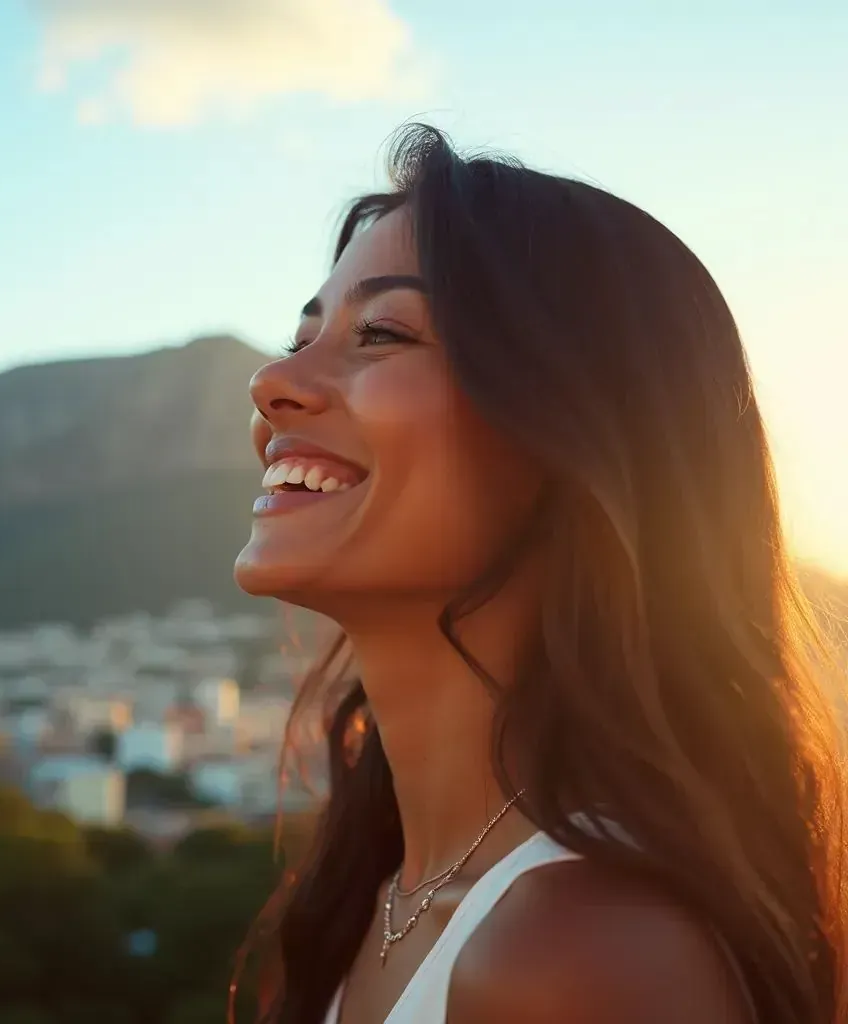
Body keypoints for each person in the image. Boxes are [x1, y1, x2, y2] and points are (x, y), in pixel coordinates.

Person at [232, 124, 846, 1024]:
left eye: (382, 332)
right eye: (303, 334)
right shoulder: (387, 893)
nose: (271, 381)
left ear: (570, 431)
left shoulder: (577, 957)